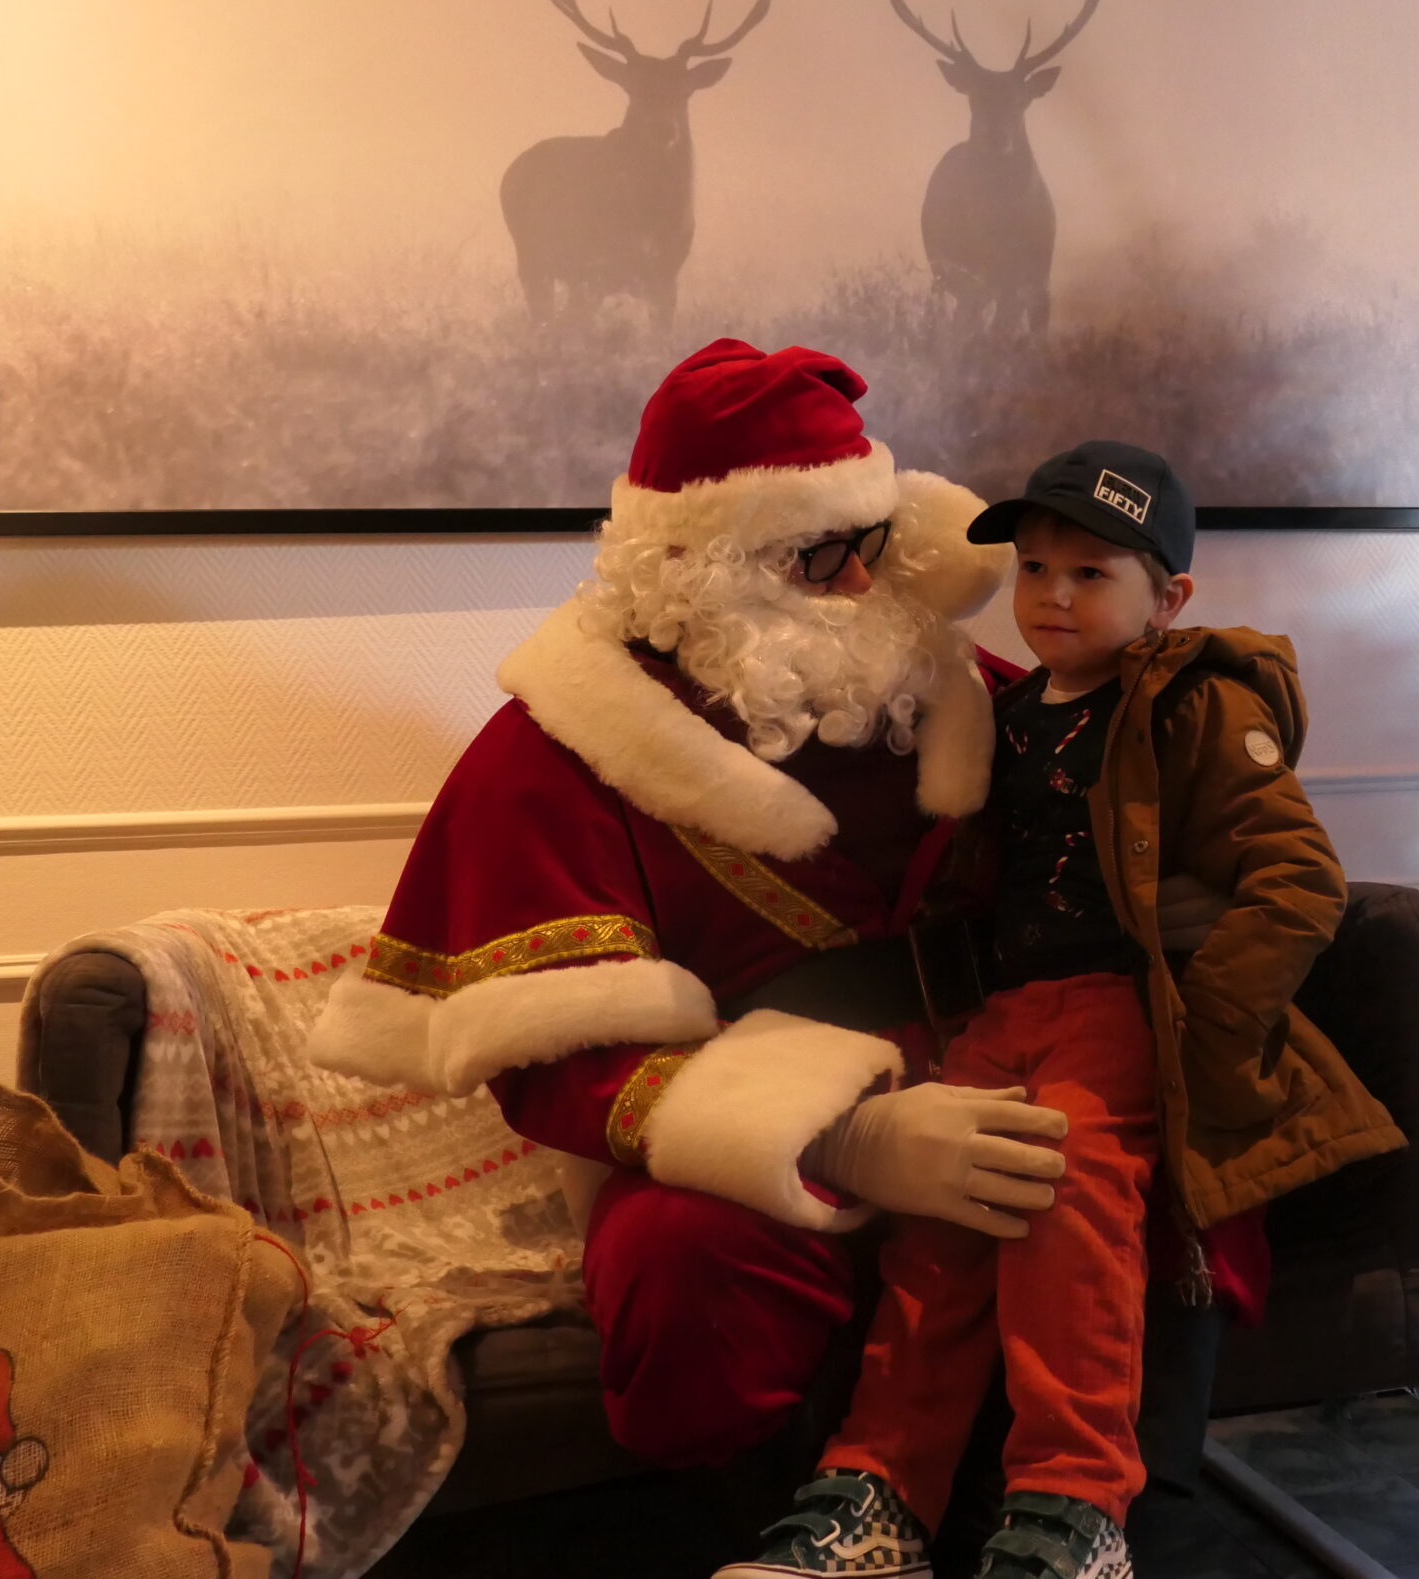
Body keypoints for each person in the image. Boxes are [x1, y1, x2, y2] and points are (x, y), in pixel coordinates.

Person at [309, 338, 1068, 1471]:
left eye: (871, 544)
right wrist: (846, 1139)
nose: (864, 587)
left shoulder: (957, 692)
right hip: (738, 1120)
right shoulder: (557, 757)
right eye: (820, 557)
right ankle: (756, 1524)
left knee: (1111, 1174)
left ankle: (1071, 1509)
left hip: (1000, 1059)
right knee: (682, 1261)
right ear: (696, 569)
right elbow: (559, 1058)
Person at [721, 442, 1404, 1579]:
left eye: (1091, 573)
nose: (1053, 594)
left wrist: (1212, 1025)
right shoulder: (1002, 709)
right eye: (1035, 569)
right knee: (942, 1214)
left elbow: (1299, 881)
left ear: (1167, 597)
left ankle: (1072, 1508)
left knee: (1065, 1185)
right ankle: (876, 1495)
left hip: (1117, 1007)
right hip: (1003, 1011)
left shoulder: (1192, 702)